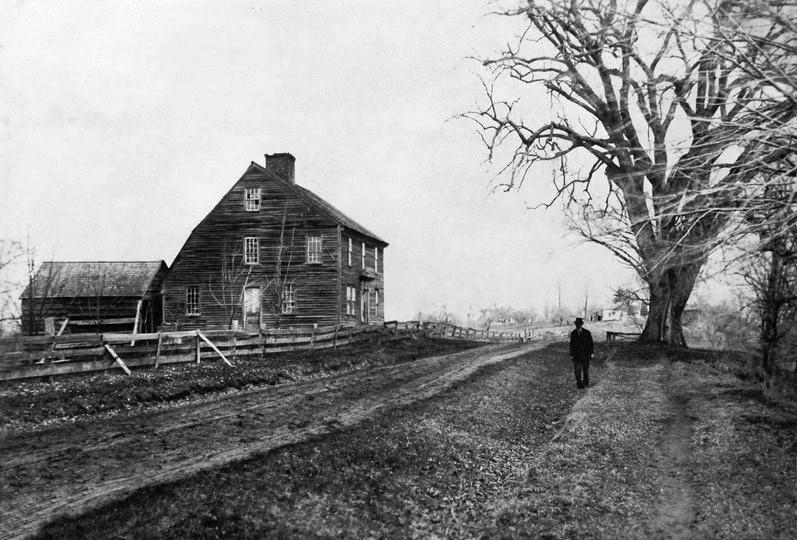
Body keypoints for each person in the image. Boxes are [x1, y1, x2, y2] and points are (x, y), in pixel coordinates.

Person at [569, 317, 594, 389]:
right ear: (575, 324)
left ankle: (586, 383)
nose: (577, 325)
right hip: (576, 356)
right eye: (576, 324)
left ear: (581, 324)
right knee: (577, 371)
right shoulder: (573, 333)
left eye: (579, 324)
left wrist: (591, 353)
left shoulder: (587, 333)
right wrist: (571, 354)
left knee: (585, 370)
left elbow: (591, 344)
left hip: (586, 355)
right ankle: (579, 385)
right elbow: (571, 345)